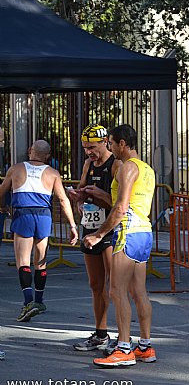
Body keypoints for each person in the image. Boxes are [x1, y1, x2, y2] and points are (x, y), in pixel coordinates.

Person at [85, 125, 157, 367]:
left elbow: (120, 206)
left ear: (123, 144)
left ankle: (124, 348)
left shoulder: (127, 167)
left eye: (113, 143)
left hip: (128, 231)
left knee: (117, 291)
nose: (112, 147)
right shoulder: (147, 168)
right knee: (139, 293)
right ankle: (145, 347)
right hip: (144, 231)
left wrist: (98, 234)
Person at [0, 140, 78, 322]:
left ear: (30, 151)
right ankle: (39, 301)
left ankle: (28, 302)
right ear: (48, 156)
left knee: (23, 261)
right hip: (43, 216)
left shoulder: (16, 169)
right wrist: (73, 226)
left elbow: (2, 191)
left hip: (23, 214)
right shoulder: (53, 173)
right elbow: (64, 200)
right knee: (40, 262)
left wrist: (3, 207)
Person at [68, 125, 121, 351]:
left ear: (105, 142)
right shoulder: (89, 164)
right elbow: (82, 190)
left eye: (93, 147)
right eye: (85, 148)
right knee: (95, 284)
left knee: (114, 286)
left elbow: (121, 204)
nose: (89, 152)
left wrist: (101, 195)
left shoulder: (116, 165)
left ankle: (123, 337)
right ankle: (100, 333)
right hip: (90, 227)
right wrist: (78, 199)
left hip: (109, 229)